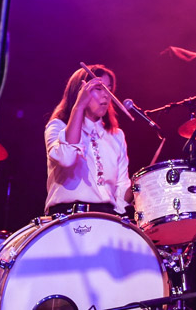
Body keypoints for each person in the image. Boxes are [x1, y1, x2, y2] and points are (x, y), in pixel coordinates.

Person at [44, 64, 133, 217]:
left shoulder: (116, 135)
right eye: (99, 88)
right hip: (66, 217)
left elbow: (121, 187)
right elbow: (67, 159)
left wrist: (141, 186)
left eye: (108, 89)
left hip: (106, 218)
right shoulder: (57, 126)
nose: (106, 95)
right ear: (80, 92)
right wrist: (78, 107)